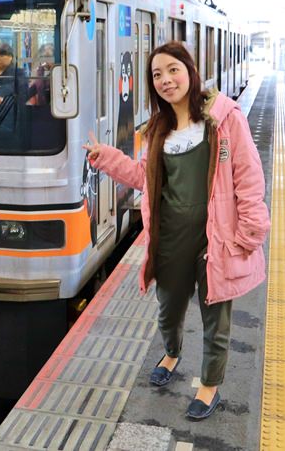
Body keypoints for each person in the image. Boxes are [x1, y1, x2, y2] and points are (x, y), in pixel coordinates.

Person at [83, 41, 269, 421]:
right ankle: (171, 353)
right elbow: (145, 178)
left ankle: (210, 385)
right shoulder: (158, 129)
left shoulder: (224, 118)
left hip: (215, 237)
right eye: (157, 75)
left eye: (172, 70)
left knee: (215, 317)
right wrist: (109, 159)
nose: (166, 80)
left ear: (190, 70)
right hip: (170, 237)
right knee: (168, 310)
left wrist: (250, 231)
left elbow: (247, 177)